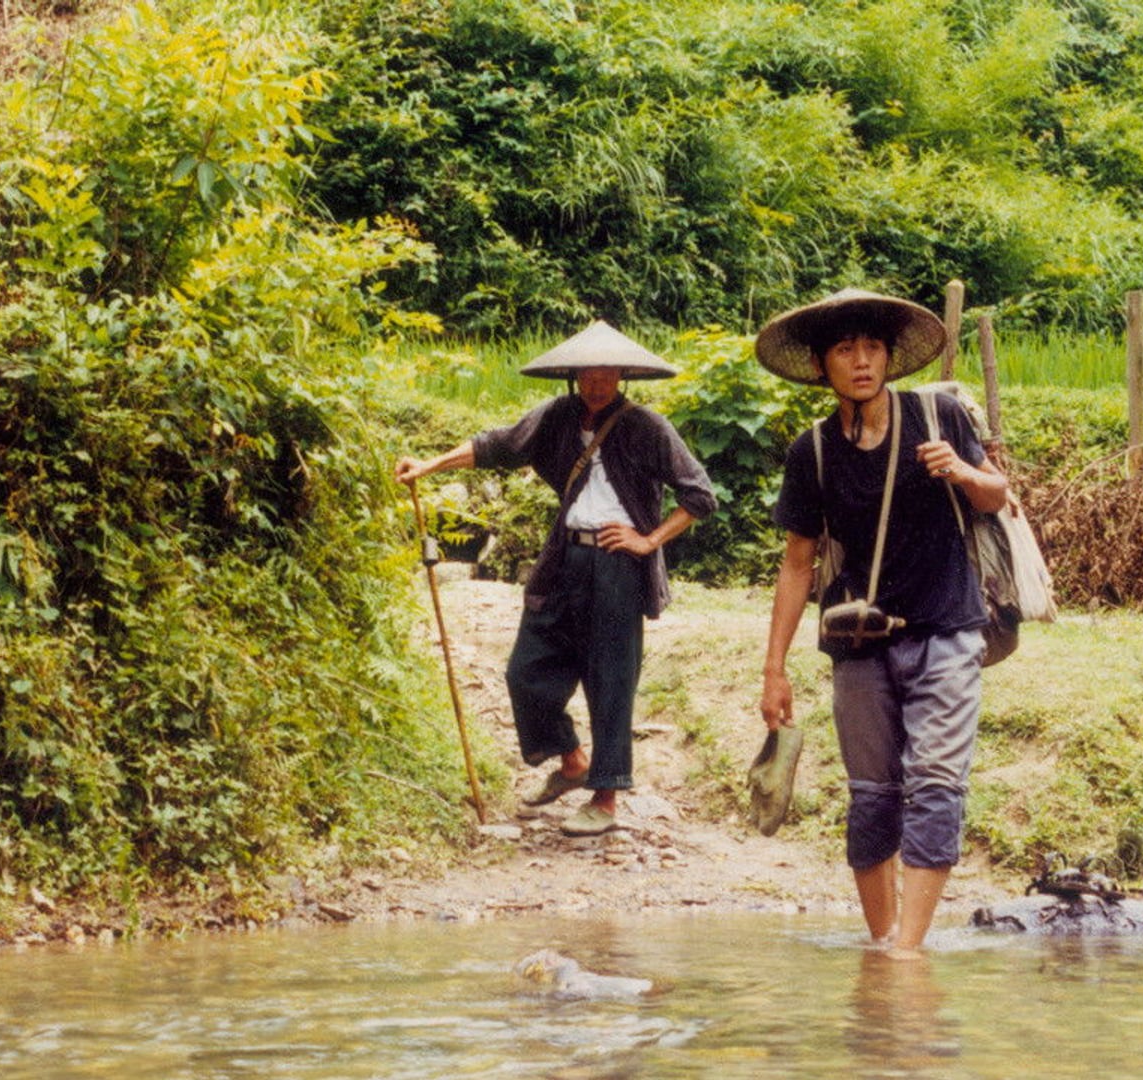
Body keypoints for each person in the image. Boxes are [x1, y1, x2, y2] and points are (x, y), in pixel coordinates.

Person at [754, 289, 1008, 958]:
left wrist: (961, 472)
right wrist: (774, 669)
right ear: (823, 365)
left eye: (872, 348)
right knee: (871, 796)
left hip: (946, 631)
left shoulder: (939, 414)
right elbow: (797, 562)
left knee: (935, 786)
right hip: (858, 644)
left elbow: (998, 493)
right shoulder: (811, 453)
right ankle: (884, 938)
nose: (861, 361)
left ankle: (907, 953)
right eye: (845, 350)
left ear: (890, 359)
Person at [395, 321, 716, 836]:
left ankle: (606, 797)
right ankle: (571, 762)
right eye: (588, 371)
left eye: (608, 371)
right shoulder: (557, 418)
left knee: (611, 679)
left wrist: (648, 540)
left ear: (623, 375)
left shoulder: (649, 428)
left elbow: (700, 496)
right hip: (563, 559)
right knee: (526, 670)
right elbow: (496, 445)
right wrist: (428, 465)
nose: (598, 381)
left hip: (618, 567)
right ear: (573, 375)